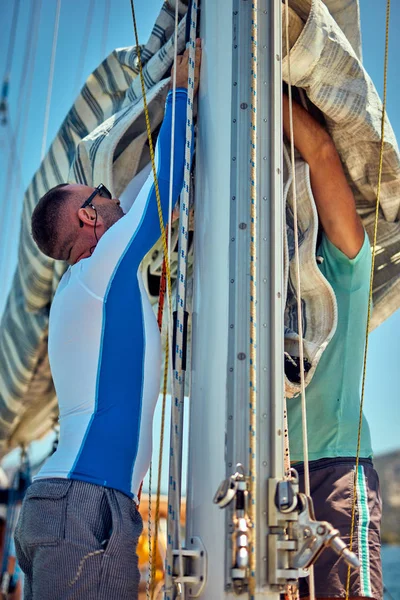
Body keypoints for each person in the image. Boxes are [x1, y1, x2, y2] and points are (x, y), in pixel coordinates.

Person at [14, 42, 201, 600]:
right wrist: (187, 88)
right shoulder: (103, 267)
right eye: (101, 192)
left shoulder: (84, 285)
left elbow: (142, 192)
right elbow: (161, 190)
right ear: (89, 216)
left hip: (67, 504)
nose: (112, 192)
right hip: (85, 506)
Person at [283, 94, 382, 600]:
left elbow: (320, 151)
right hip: (263, 474)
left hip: (334, 476)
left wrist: (258, 98)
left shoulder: (344, 265)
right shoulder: (257, 287)